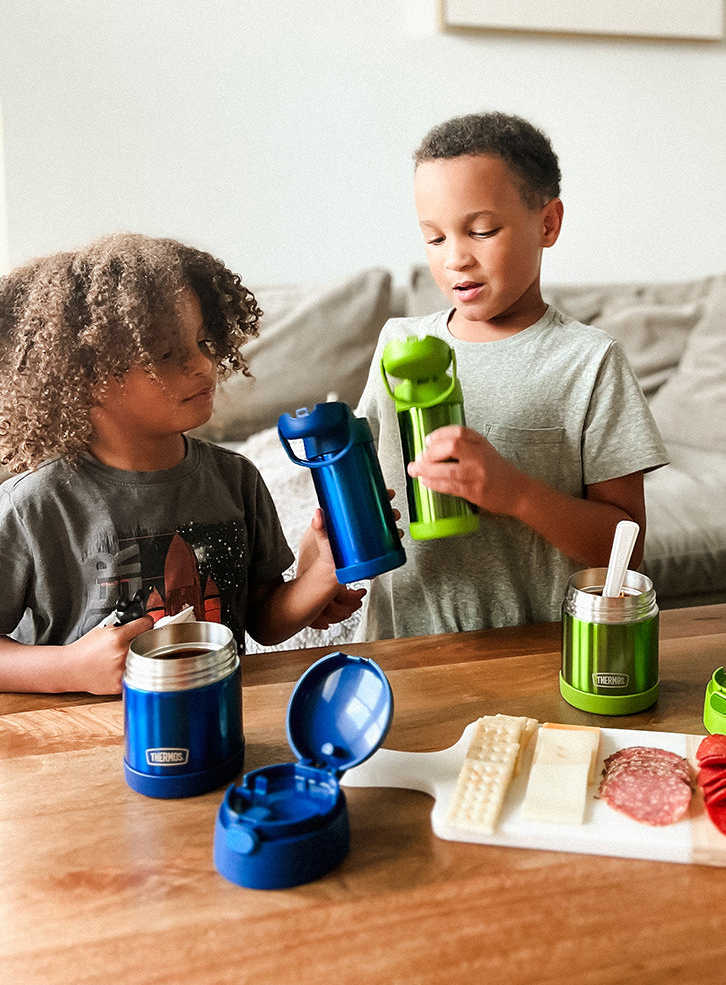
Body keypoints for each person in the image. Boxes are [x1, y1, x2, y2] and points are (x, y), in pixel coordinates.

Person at [349, 111, 669, 640]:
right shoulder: (398, 345)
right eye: (434, 238)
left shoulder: (589, 361)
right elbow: (363, 487)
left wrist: (517, 494)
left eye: (481, 231)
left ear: (547, 224)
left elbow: (625, 548)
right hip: (402, 648)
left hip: (532, 652)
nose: (456, 259)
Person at [0, 233, 364, 694]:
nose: (203, 365)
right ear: (84, 378)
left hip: (219, 715)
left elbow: (264, 622)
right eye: (167, 355)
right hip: (82, 731)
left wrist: (323, 573)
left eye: (203, 342)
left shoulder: (236, 479)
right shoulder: (32, 506)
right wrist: (69, 668)